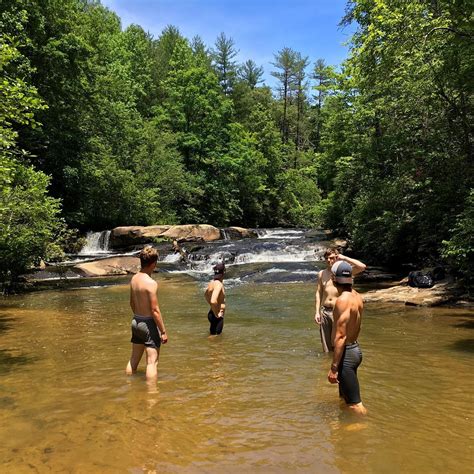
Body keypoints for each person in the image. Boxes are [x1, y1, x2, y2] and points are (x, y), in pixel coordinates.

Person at [327, 260, 367, 415]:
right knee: (344, 398)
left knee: (354, 405)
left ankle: (365, 427)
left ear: (334, 279)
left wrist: (334, 367)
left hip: (347, 355)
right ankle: (345, 435)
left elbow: (341, 336)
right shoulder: (356, 296)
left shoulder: (342, 301)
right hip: (354, 349)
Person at [126, 246, 168, 382]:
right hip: (148, 324)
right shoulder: (151, 283)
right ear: (153, 264)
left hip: (136, 322)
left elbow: (132, 303)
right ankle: (152, 396)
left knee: (133, 359)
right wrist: (163, 331)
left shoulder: (134, 279)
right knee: (152, 362)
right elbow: (155, 311)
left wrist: (138, 316)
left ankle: (129, 385)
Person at [314, 249, 366, 352]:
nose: (329, 260)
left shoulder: (343, 272)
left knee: (338, 340)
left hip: (339, 311)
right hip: (325, 311)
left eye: (332, 258)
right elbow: (318, 292)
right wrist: (317, 312)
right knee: (326, 345)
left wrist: (345, 258)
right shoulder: (321, 273)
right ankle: (326, 363)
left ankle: (337, 363)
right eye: (327, 258)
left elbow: (362, 267)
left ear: (337, 258)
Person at [204, 262, 226, 335]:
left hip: (211, 313)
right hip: (217, 316)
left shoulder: (211, 283)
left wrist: (212, 307)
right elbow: (213, 301)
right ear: (223, 273)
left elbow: (206, 295)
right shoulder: (218, 284)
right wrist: (217, 313)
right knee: (218, 339)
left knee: (213, 337)